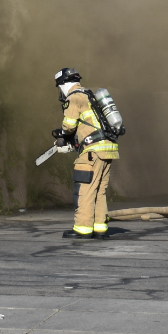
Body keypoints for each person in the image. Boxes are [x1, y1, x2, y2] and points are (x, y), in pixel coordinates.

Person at [52, 67, 119, 239]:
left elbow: (69, 126)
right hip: (107, 149)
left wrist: (62, 136)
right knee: (99, 191)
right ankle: (100, 228)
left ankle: (83, 229)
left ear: (64, 84)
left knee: (85, 190)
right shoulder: (90, 95)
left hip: (92, 152)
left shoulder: (74, 98)